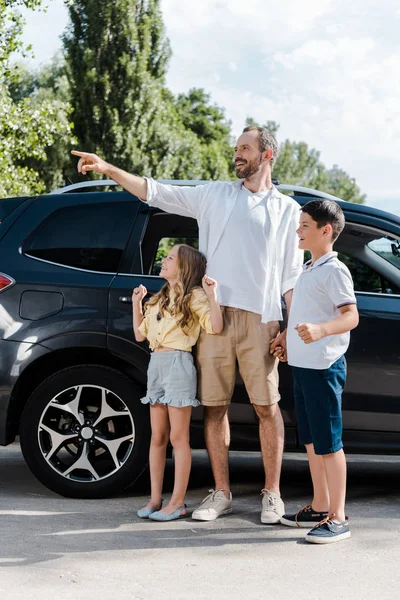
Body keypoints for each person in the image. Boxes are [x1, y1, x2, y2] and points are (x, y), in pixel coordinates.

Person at [72, 125, 303, 524]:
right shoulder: (214, 195)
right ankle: (221, 493)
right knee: (214, 408)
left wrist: (286, 326)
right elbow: (155, 191)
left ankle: (272, 493)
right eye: (236, 149)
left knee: (268, 408)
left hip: (260, 319)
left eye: (246, 149)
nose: (238, 155)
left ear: (268, 155)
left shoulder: (288, 211)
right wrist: (109, 169)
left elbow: (290, 278)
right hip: (210, 316)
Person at [276, 200, 359, 543]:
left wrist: (323, 330)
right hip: (303, 366)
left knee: (329, 443)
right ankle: (320, 504)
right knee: (311, 440)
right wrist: (286, 338)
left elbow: (351, 316)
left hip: (324, 368)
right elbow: (302, 313)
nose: (299, 230)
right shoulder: (310, 268)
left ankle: (338, 517)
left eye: (305, 225)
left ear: (326, 231)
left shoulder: (334, 270)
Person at [133, 244, 223, 521]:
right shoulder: (158, 299)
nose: (164, 260)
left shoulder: (194, 296)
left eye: (170, 258)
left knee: (178, 437)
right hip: (156, 365)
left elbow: (215, 326)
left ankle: (178, 502)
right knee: (157, 436)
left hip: (178, 365)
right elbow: (140, 335)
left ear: (184, 267)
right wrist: (137, 305)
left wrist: (212, 296)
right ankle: (155, 499)